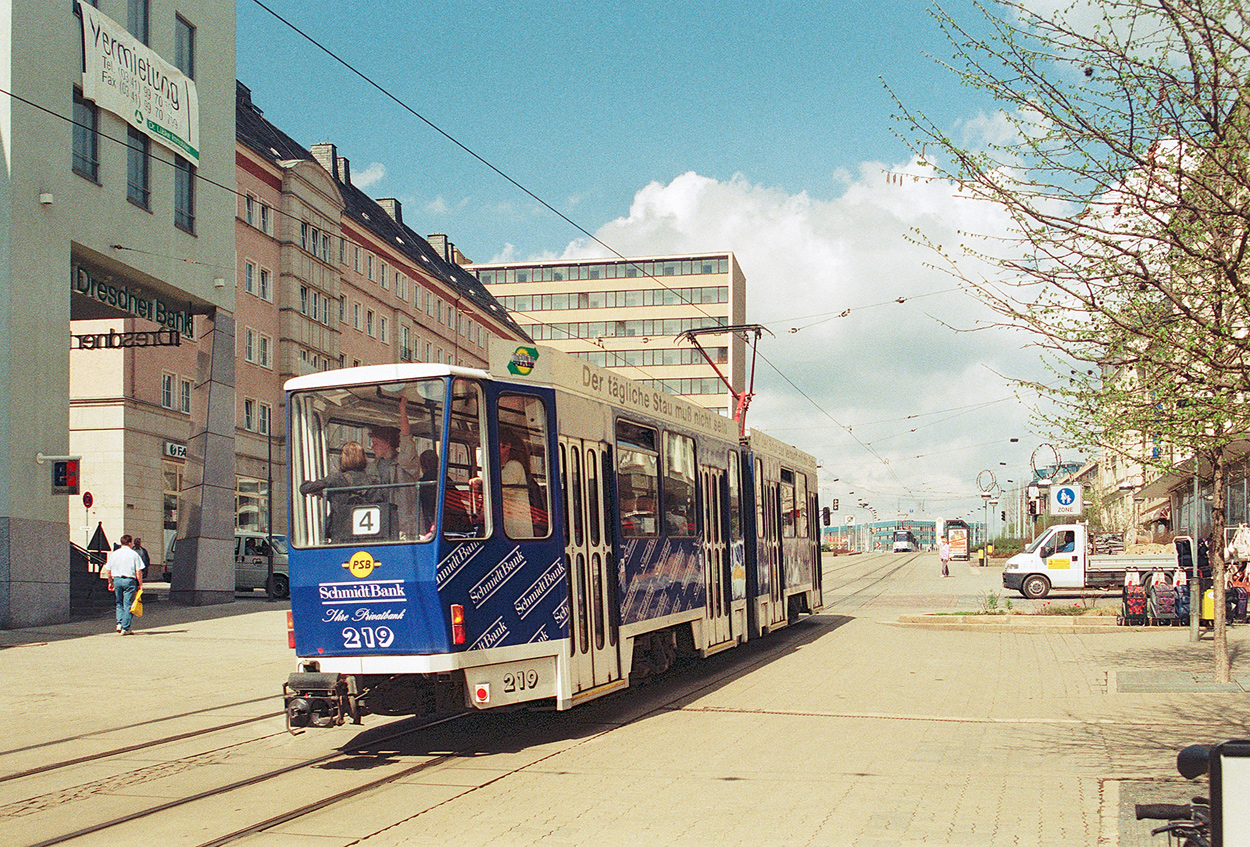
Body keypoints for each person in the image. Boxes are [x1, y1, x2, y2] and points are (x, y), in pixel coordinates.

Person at [299, 441, 378, 541]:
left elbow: (306, 488)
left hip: (341, 536)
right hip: (367, 537)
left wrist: (317, 490)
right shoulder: (373, 481)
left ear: (343, 458)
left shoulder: (337, 479)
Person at [106, 533, 145, 635]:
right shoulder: (134, 554)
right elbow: (138, 571)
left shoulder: (114, 554)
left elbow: (108, 569)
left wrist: (110, 581)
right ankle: (125, 628)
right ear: (129, 542)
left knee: (119, 603)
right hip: (129, 580)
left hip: (117, 580)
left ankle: (119, 623)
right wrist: (140, 583)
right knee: (128, 604)